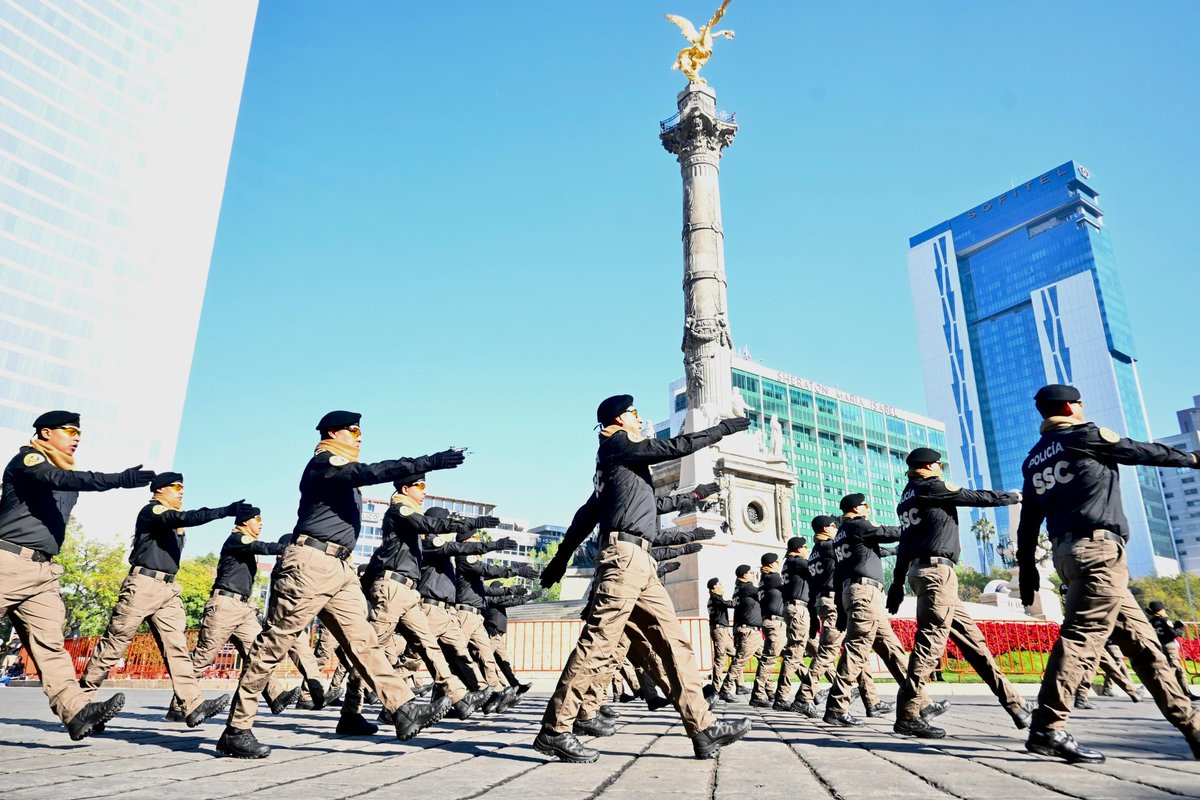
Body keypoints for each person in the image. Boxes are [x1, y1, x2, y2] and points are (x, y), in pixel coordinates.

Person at [216, 410, 461, 758]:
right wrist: (425, 462)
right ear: (333, 432)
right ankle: (236, 729)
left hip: (340, 567)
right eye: (353, 430)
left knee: (363, 642)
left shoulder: (343, 472)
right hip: (310, 563)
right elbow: (369, 472)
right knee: (274, 644)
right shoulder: (323, 464)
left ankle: (402, 708)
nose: (360, 436)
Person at [534, 394, 752, 763]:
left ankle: (702, 727)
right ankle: (555, 730)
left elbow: (586, 515)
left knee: (673, 643)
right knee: (598, 644)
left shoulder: (618, 467)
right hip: (624, 560)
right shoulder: (618, 446)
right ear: (619, 420)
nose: (640, 416)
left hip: (641, 561)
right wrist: (720, 430)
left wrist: (560, 559)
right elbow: (674, 446)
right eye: (634, 412)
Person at [1016, 384, 1200, 763]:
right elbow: (1139, 450)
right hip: (1098, 551)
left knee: (1145, 647)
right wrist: (1192, 458)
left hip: (1069, 553)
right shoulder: (1086, 435)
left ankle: (1193, 727)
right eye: (1081, 403)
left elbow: (1029, 519)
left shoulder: (1034, 458)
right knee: (1082, 637)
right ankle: (1048, 727)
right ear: (1071, 406)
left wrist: (1026, 570)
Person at [0, 410, 152, 739]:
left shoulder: (64, 470)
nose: (76, 437)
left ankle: (77, 711)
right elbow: (61, 480)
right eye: (68, 431)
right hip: (8, 562)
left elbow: (68, 481)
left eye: (78, 433)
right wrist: (118, 479)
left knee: (51, 646)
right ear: (44, 433)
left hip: (42, 572)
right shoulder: (26, 461)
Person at [887, 447, 1030, 738]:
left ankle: (1016, 705)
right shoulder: (932, 486)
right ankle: (909, 713)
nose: (942, 467)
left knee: (975, 645)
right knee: (930, 643)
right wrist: (1012, 497)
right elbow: (974, 497)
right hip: (937, 573)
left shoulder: (907, 497)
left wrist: (898, 582)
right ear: (930, 465)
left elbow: (904, 544)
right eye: (939, 463)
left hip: (924, 572)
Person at [80, 471, 239, 726]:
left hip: (168, 589)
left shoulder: (175, 524)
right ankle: (83, 706)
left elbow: (181, 520)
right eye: (176, 486)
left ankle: (192, 704)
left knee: (177, 647)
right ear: (159, 490)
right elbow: (186, 516)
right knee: (115, 644)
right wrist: (224, 511)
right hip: (143, 584)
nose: (181, 491)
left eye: (182, 487)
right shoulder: (152, 511)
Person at [165, 508, 301, 720]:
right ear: (245, 522)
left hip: (244, 610)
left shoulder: (245, 543)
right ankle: (179, 705)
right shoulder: (237, 539)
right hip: (225, 605)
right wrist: (288, 548)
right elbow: (261, 546)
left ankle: (275, 696)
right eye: (257, 519)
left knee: (259, 652)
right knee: (204, 657)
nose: (261, 523)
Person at [822, 494, 915, 726]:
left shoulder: (841, 534)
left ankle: (918, 700)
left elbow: (841, 572)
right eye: (865, 505)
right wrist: (916, 523)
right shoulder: (859, 524)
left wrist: (842, 612)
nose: (868, 508)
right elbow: (891, 532)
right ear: (856, 508)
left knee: (892, 650)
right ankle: (836, 706)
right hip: (865, 593)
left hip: (855, 592)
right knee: (856, 650)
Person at [790, 516, 876, 716]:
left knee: (855, 647)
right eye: (833, 526)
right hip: (832, 602)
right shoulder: (829, 547)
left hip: (823, 601)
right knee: (828, 651)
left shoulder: (813, 553)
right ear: (826, 528)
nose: (836, 529)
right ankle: (804, 697)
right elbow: (852, 557)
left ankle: (872, 701)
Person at [773, 537, 811, 710]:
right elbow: (817, 566)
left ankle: (812, 686)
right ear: (797, 549)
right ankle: (781, 696)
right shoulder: (796, 561)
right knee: (794, 652)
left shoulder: (789, 563)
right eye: (805, 546)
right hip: (797, 608)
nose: (807, 549)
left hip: (793, 608)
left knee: (800, 650)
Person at [718, 564, 762, 702]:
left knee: (767, 658)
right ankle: (725, 689)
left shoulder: (738, 589)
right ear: (744, 575)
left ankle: (768, 690)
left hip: (749, 631)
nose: (752, 574)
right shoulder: (747, 587)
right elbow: (762, 591)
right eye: (750, 572)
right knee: (740, 661)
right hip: (749, 632)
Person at [750, 553, 786, 707]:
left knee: (793, 657)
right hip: (775, 622)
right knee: (769, 658)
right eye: (778, 562)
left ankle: (772, 691)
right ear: (772, 564)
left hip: (771, 621)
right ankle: (757, 694)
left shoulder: (764, 579)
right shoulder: (773, 578)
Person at [1148, 601, 1199, 700]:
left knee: (1171, 669)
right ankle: (1183, 693)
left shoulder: (1152, 621)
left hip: (1160, 646)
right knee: (1176, 670)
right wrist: (1179, 628)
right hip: (1169, 647)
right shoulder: (1165, 619)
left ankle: (1180, 692)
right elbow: (1172, 634)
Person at [706, 577, 735, 690]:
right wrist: (739, 602)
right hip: (719, 631)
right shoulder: (715, 599)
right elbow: (728, 604)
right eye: (720, 584)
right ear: (714, 587)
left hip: (722, 631)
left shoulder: (714, 599)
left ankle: (739, 684)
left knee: (736, 656)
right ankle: (716, 688)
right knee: (720, 659)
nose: (722, 587)